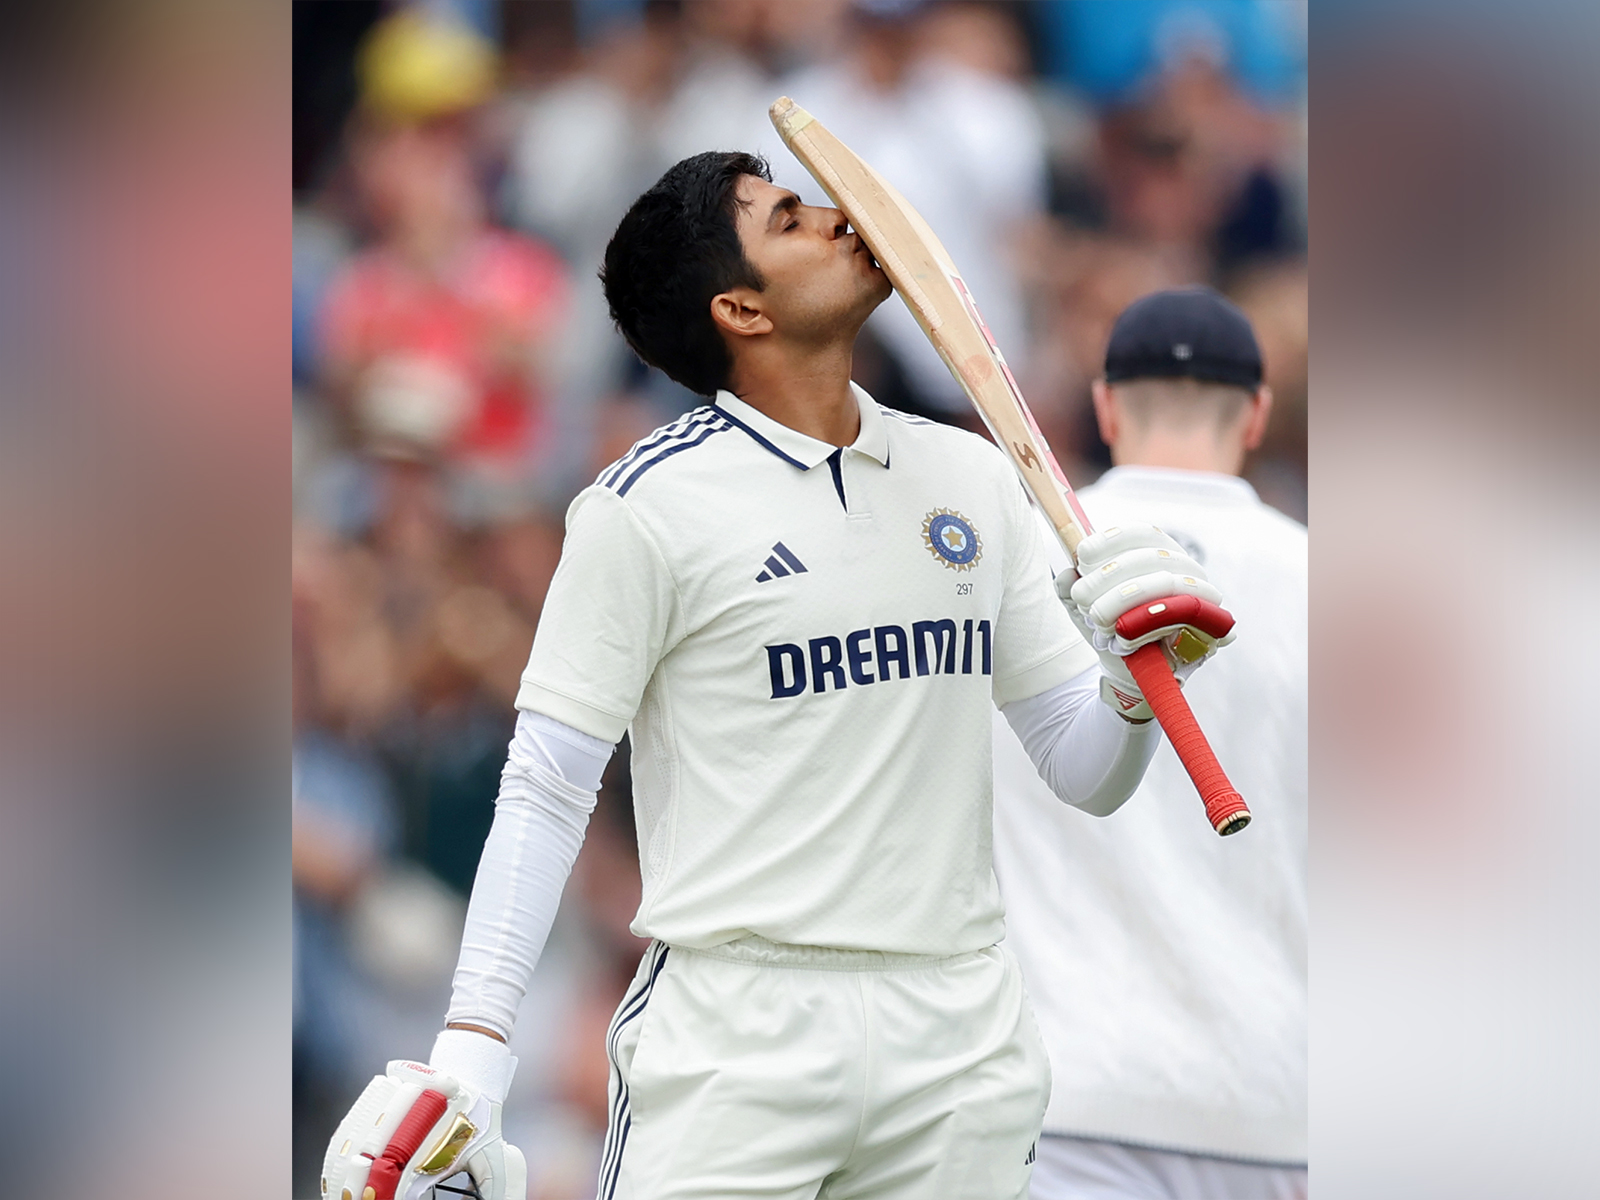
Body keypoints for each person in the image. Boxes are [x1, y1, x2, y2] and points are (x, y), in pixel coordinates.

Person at [321, 152, 1235, 1200]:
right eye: (789, 218)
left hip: (959, 1032)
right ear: (741, 310)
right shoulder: (643, 510)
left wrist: (1130, 685)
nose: (843, 220)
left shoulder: (971, 478)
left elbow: (1085, 770)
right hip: (737, 1035)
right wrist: (472, 1054)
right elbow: (546, 785)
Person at [991, 288, 1307, 1198]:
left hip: (1064, 1101)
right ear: (1255, 414)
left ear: (1104, 406)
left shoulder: (1012, 562)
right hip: (1279, 1101)